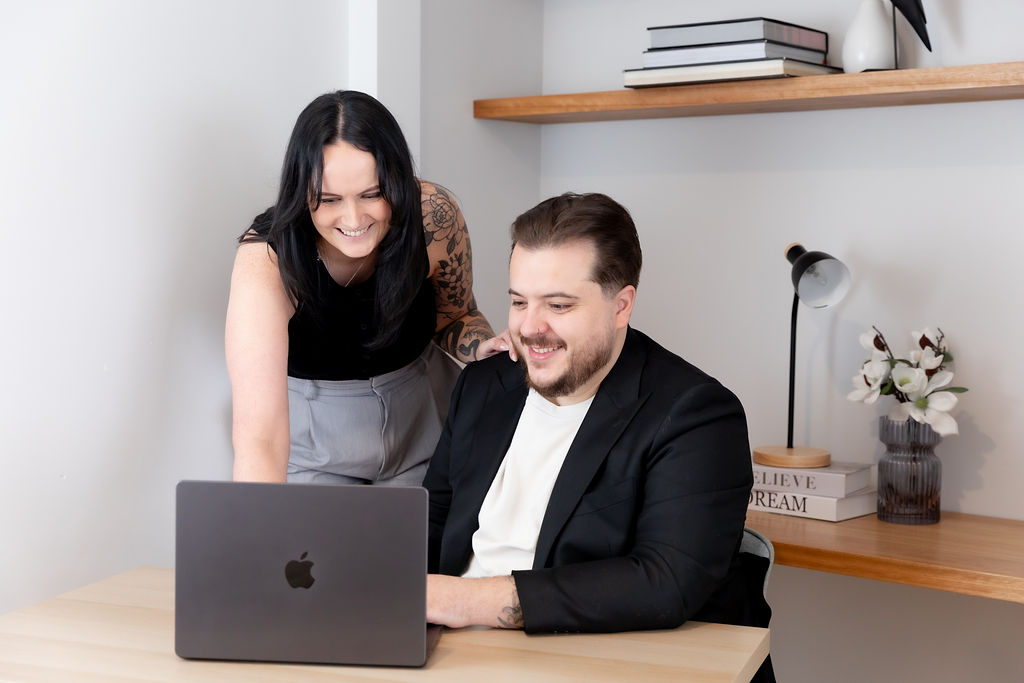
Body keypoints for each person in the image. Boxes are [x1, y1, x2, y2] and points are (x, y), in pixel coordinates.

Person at [423, 193, 772, 647]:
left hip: (586, 654)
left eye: (559, 306)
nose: (530, 328)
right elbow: (431, 521)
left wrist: (465, 601)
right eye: (519, 302)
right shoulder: (485, 385)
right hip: (448, 649)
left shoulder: (697, 414)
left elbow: (665, 582)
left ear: (621, 305)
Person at [226, 90, 508, 484]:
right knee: (315, 545)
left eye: (372, 194)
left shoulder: (432, 216)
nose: (354, 218)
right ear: (300, 191)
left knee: (437, 543)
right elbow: (261, 440)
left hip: (424, 420)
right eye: (328, 199)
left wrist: (483, 348)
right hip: (317, 446)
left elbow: (455, 315)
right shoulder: (269, 258)